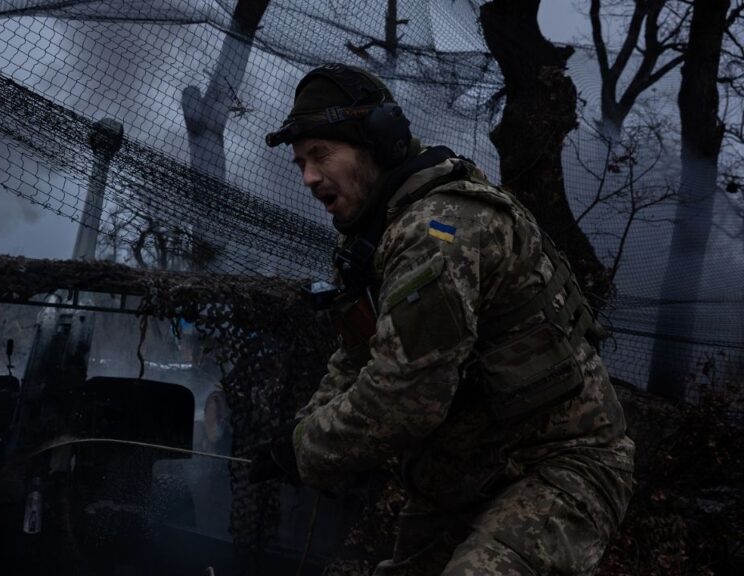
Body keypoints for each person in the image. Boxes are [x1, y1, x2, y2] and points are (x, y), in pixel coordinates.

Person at [254, 63, 635, 575]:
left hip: (558, 469)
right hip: (467, 477)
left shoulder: (439, 232)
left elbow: (403, 399)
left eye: (321, 154)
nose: (309, 176)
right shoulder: (373, 238)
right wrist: (299, 433)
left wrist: (306, 449)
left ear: (380, 143)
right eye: (301, 161)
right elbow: (357, 358)